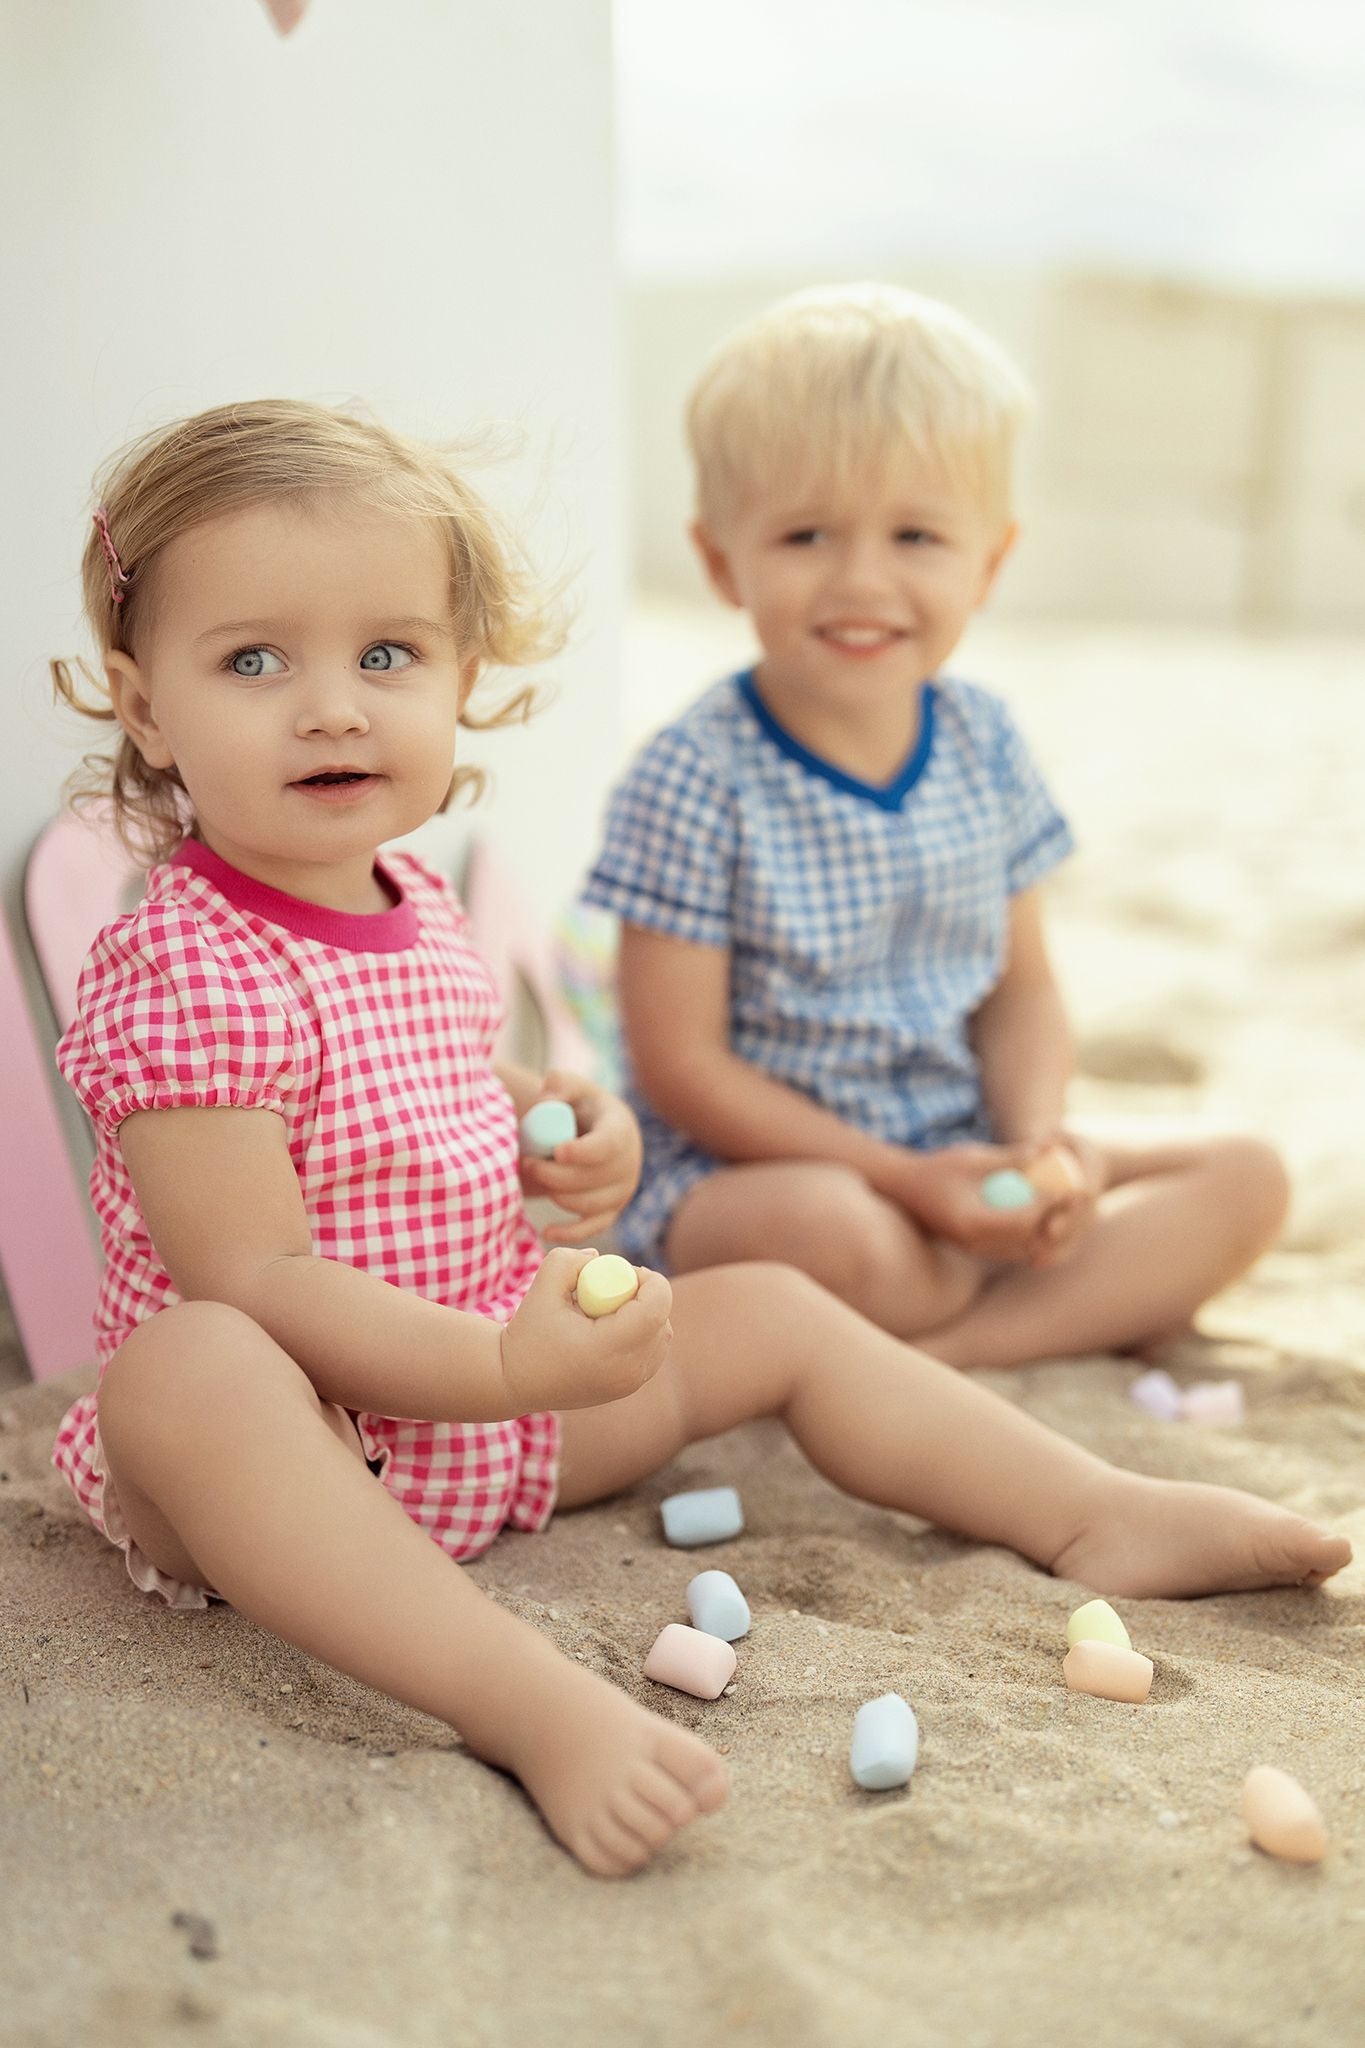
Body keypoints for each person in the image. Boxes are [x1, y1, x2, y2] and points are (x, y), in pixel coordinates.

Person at [48, 400, 1347, 1881]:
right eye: (254, 662)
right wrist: (501, 1364)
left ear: (465, 674)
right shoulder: (186, 968)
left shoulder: (410, 895)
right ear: (145, 707)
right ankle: (528, 1704)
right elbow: (261, 1276)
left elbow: (426, 1081)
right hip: (300, 1466)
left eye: (388, 654)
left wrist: (561, 1119)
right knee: (191, 1367)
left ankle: (1095, 1511)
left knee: (775, 1312)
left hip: (498, 1421)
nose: (334, 707)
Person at [583, 284, 1291, 1369]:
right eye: (806, 534)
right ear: (722, 560)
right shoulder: (694, 774)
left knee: (1245, 1175)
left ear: (988, 563)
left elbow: (1020, 990)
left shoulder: (983, 738)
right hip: (772, 1174)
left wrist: (1036, 1141)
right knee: (842, 1238)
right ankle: (998, 1312)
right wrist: (903, 1181)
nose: (863, 579)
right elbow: (684, 1067)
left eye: (916, 535)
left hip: (957, 1148)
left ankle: (951, 1349)